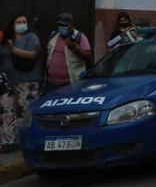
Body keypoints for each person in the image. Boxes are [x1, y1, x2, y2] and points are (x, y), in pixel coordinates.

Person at [0, 14, 43, 152]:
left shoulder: (31, 38)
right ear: (12, 25)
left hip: (27, 82)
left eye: (24, 22)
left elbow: (32, 54)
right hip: (8, 83)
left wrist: (14, 50)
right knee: (8, 113)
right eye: (18, 22)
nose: (21, 24)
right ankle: (8, 142)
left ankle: (29, 143)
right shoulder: (7, 40)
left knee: (26, 112)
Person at [44, 13, 92, 96]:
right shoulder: (53, 35)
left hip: (71, 83)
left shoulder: (80, 36)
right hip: (51, 83)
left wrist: (75, 48)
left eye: (64, 25)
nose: (61, 27)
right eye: (59, 25)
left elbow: (87, 56)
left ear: (71, 25)